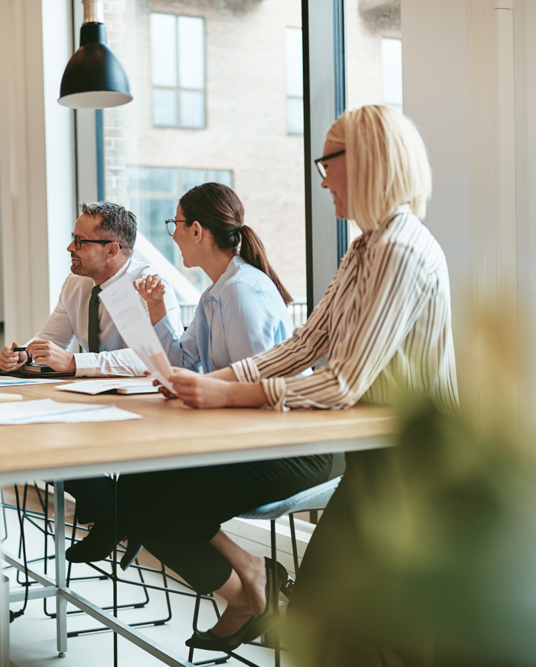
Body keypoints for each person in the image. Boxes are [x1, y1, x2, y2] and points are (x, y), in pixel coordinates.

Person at [132, 105, 458, 658]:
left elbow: (343, 382)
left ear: (370, 161)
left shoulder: (400, 250)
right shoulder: (364, 248)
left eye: (328, 162)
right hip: (376, 455)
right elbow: (306, 345)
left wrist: (227, 392)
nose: (323, 177)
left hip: (420, 467)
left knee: (347, 625)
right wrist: (214, 387)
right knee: (331, 624)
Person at [117, 182, 331, 652]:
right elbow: (188, 364)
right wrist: (157, 314)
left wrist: (202, 396)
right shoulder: (217, 291)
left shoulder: (243, 294)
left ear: (197, 230)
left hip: (292, 449)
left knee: (158, 506)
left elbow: (262, 395)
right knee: (135, 485)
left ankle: (246, 590)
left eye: (175, 224)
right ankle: (250, 578)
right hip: (244, 438)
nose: (171, 234)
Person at [0, 201, 181, 565]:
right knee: (28, 429)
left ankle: (112, 514)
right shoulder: (76, 284)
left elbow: (152, 358)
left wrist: (76, 362)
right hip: (96, 399)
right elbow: (50, 340)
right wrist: (22, 354)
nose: (70, 248)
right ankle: (113, 510)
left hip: (146, 408)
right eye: (73, 239)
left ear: (112, 250)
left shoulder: (149, 286)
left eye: (80, 241)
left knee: (55, 431)